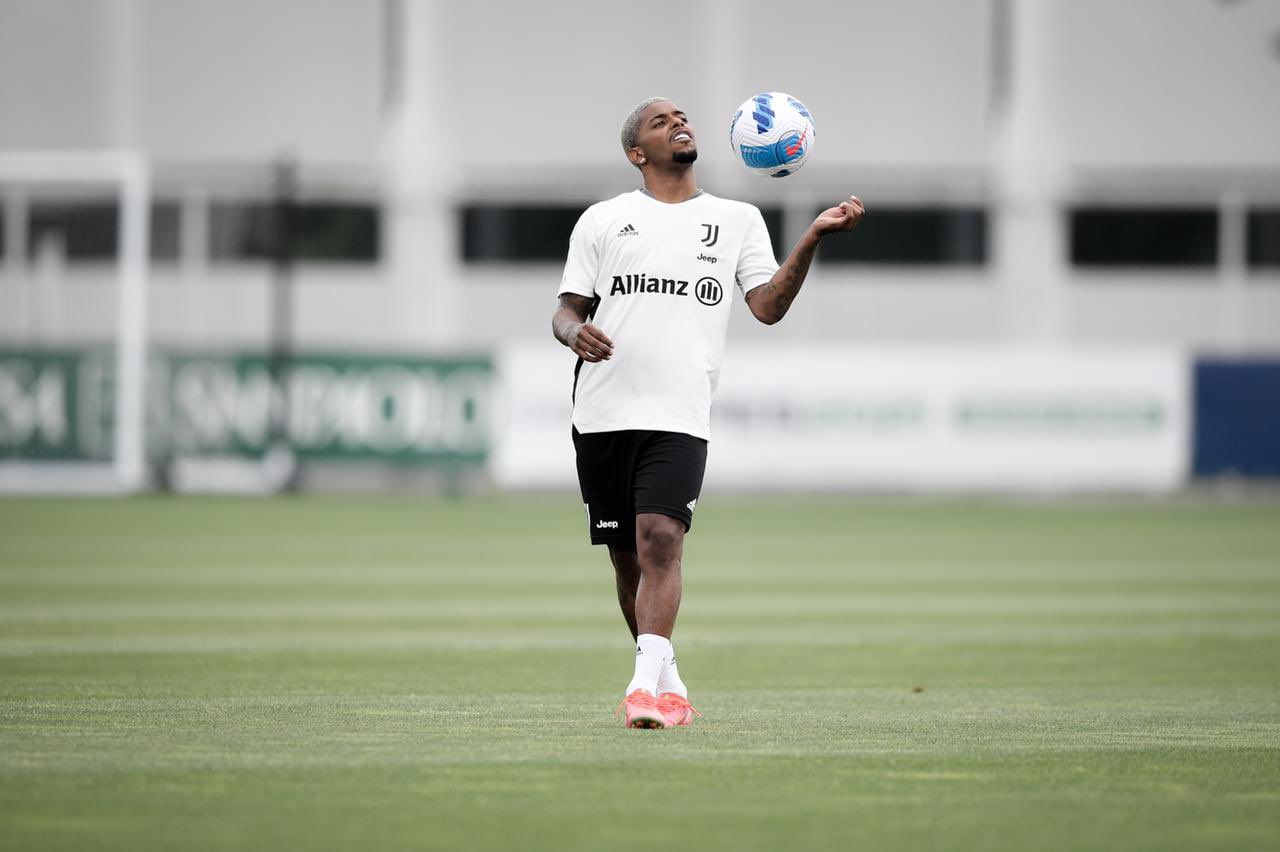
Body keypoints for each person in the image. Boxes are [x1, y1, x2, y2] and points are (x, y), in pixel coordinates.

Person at [551, 97, 863, 729]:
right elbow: (565, 309)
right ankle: (669, 679)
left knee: (662, 540)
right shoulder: (604, 220)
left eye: (682, 117)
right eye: (661, 122)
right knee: (626, 560)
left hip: (680, 412)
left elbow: (768, 306)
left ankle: (642, 689)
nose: (680, 123)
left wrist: (812, 236)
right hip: (603, 411)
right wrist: (571, 332)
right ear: (637, 152)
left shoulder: (737, 218)